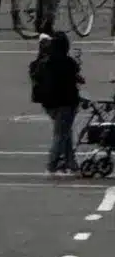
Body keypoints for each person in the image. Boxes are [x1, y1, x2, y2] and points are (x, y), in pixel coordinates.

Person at [31, 32, 83, 177]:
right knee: (61, 134)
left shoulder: (44, 62)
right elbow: (75, 80)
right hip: (66, 103)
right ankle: (52, 165)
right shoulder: (68, 63)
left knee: (65, 133)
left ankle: (71, 163)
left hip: (49, 104)